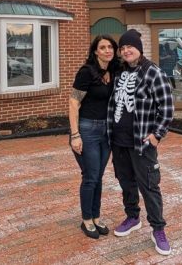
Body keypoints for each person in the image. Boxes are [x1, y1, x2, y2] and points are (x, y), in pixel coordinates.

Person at [107, 29, 174, 255]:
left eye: (130, 47)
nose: (126, 50)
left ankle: (158, 229)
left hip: (142, 143)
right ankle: (132, 217)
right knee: (126, 182)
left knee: (149, 186)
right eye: (123, 48)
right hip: (119, 142)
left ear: (139, 49)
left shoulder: (153, 73)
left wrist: (156, 135)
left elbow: (167, 108)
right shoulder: (118, 73)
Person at [69, 35, 119, 239]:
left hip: (106, 130)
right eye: (103, 47)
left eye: (110, 47)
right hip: (87, 129)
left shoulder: (114, 71)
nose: (107, 50)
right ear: (95, 51)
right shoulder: (86, 72)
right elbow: (73, 103)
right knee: (90, 176)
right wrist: (75, 135)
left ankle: (96, 217)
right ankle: (86, 219)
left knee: (98, 176)